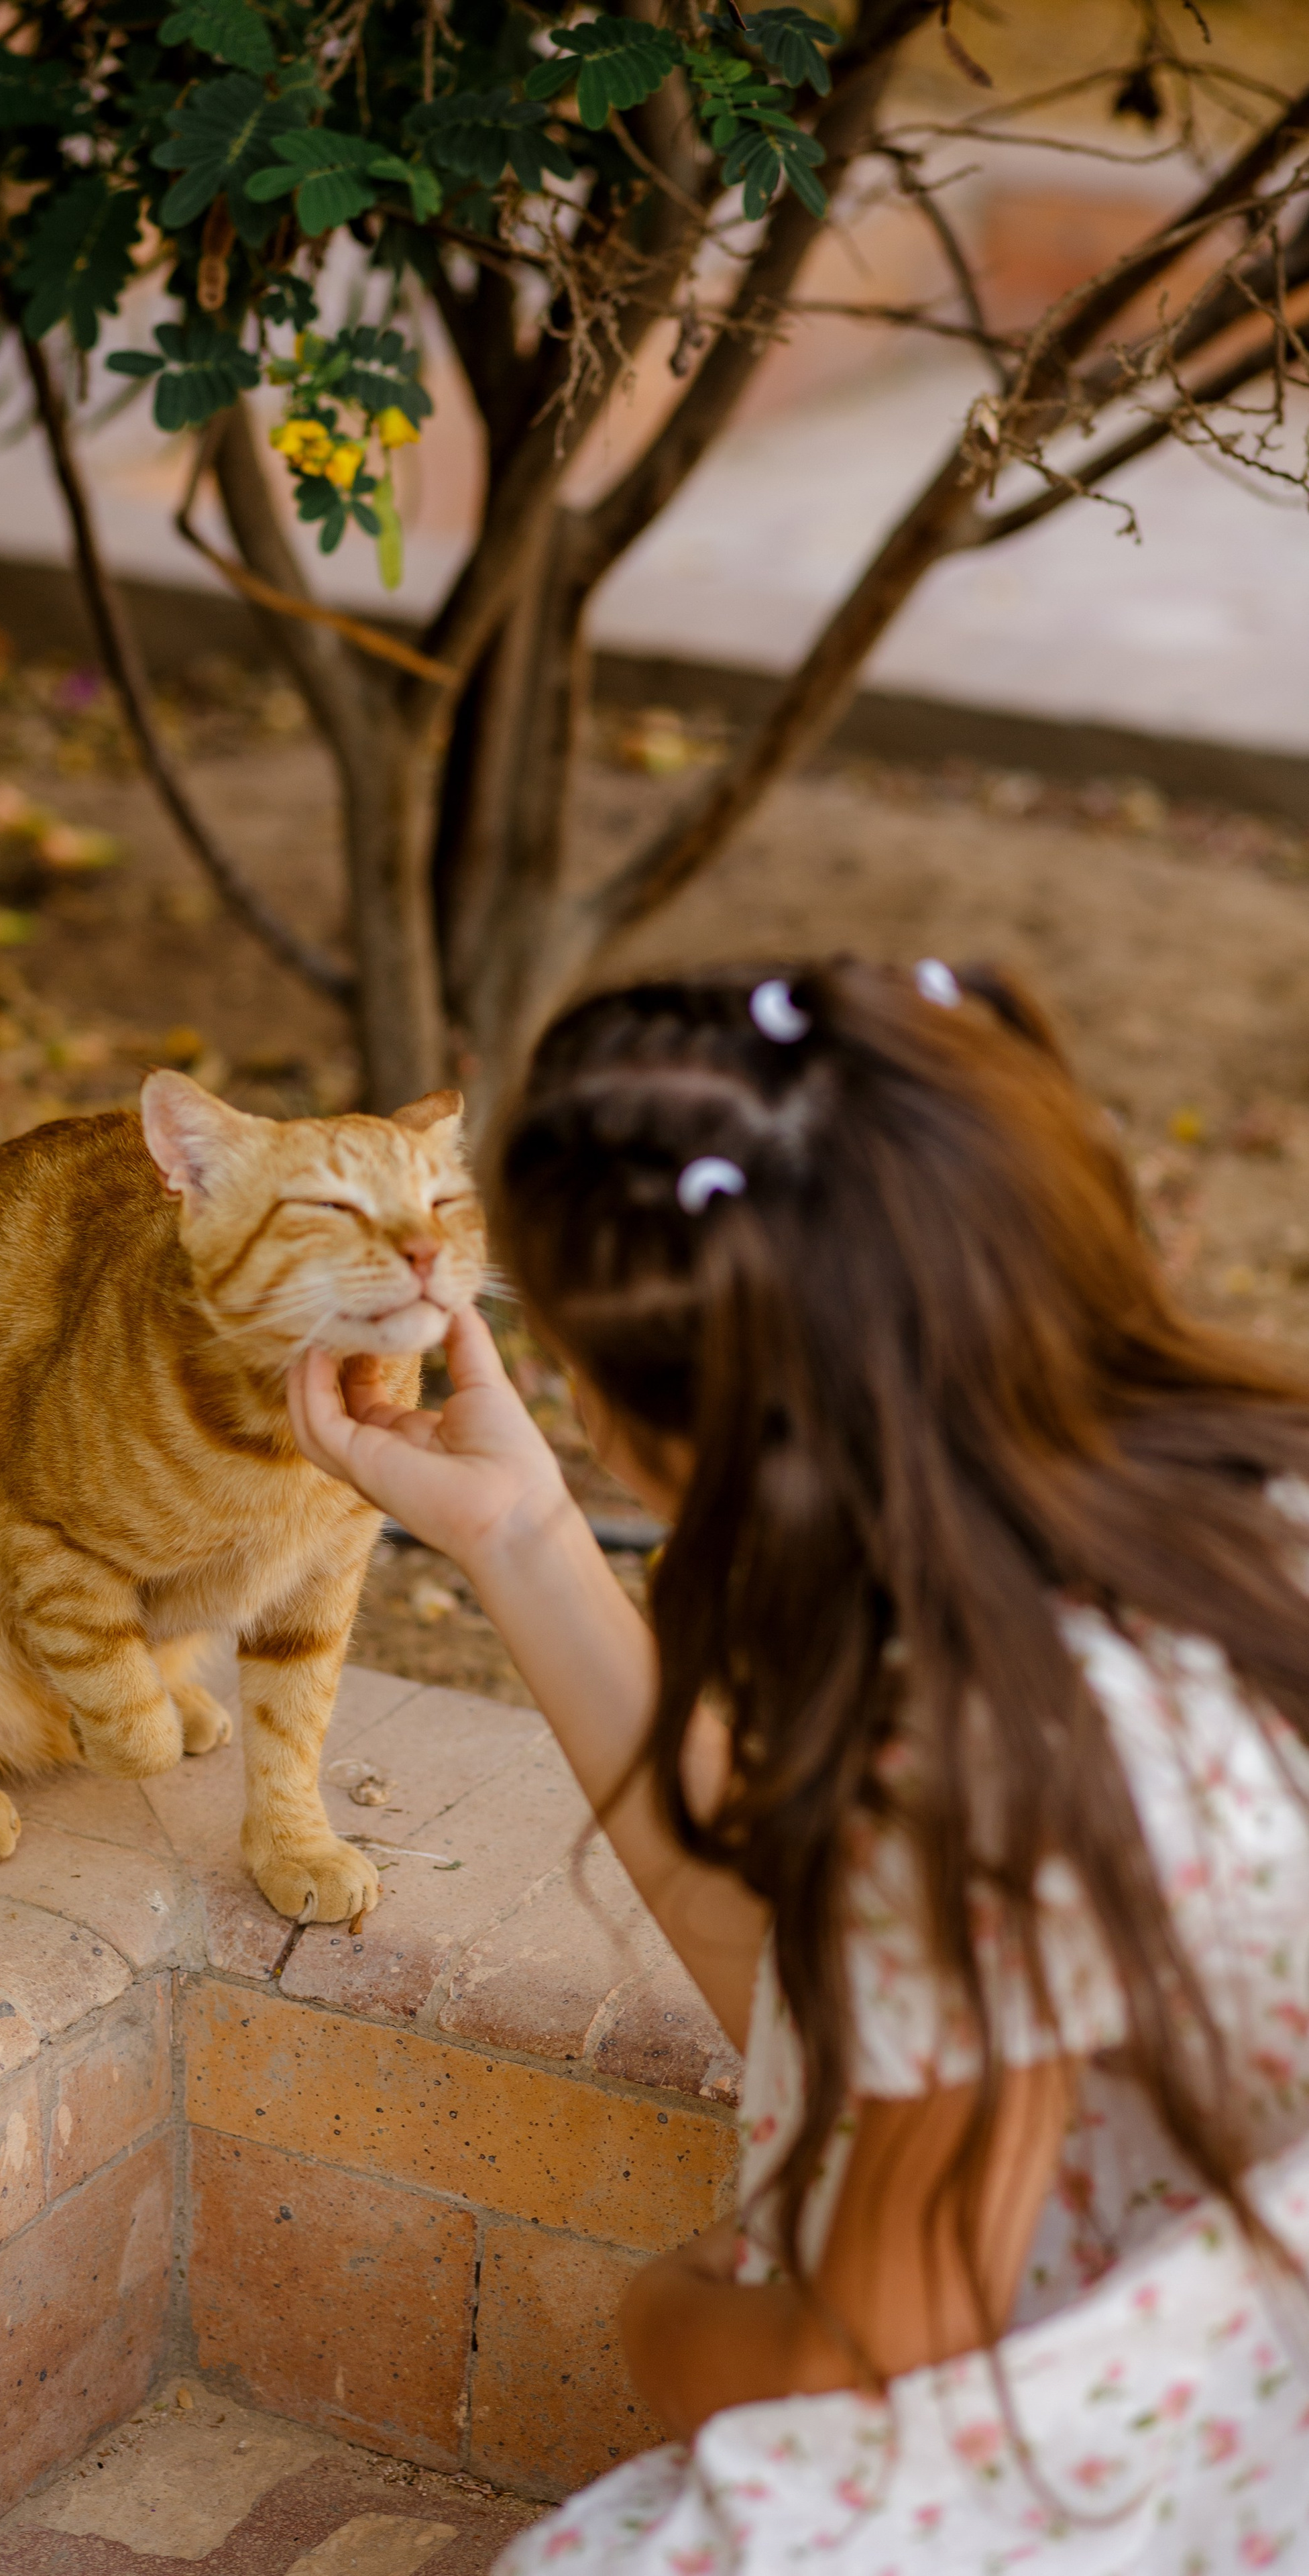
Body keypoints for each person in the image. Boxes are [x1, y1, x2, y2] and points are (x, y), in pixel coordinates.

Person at [288, 959, 1309, 2567]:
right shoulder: (1233, 1507)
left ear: (692, 1433)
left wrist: (668, 2319)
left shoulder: (979, 1750)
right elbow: (836, 1982)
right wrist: (521, 1530)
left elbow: (863, 2373)